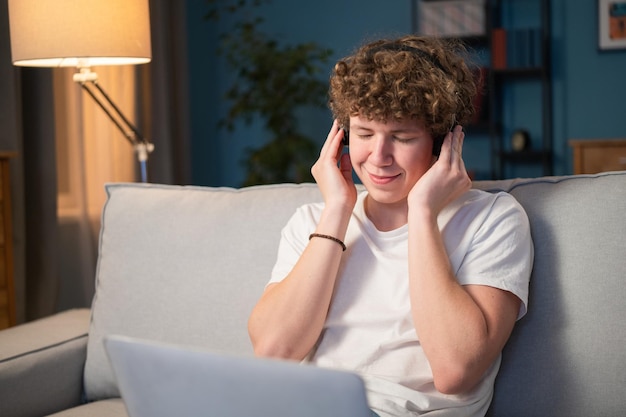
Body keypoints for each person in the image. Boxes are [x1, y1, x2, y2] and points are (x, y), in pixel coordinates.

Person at [247, 35, 533, 417]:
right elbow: (273, 351)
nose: (378, 157)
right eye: (364, 134)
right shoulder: (312, 222)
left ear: (443, 141)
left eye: (401, 136)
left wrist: (422, 213)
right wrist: (336, 210)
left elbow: (456, 371)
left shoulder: (492, 220)